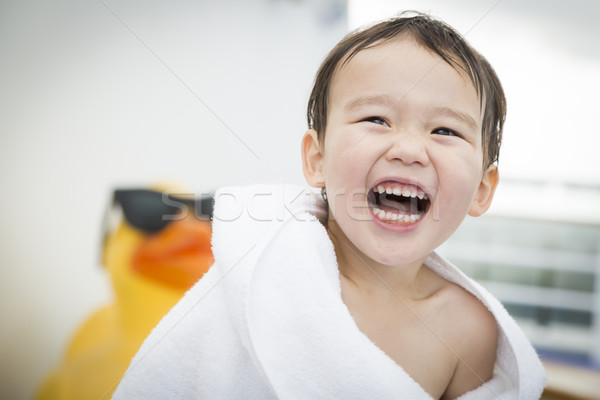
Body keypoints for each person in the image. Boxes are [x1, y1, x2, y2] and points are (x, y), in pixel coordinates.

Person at [112, 12, 545, 400]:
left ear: (482, 190)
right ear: (316, 161)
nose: (410, 149)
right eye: (376, 119)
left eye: (446, 130)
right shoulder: (263, 276)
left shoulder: (468, 331)